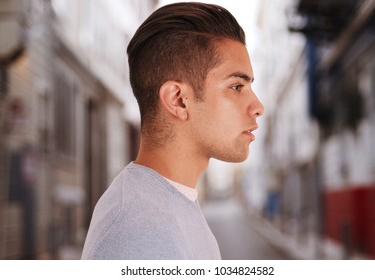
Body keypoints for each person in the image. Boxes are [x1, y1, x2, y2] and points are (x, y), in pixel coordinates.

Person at [81, 2, 264, 260]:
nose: (258, 107)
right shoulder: (141, 233)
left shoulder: (171, 202)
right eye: (236, 86)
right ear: (178, 100)